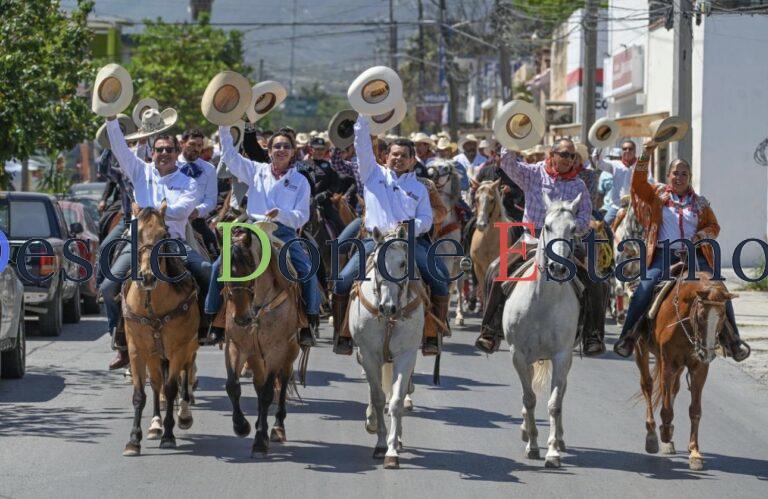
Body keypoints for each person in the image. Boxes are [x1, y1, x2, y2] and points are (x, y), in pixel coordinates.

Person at [613, 142, 750, 361]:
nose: (679, 177)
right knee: (645, 287)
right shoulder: (657, 198)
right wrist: (646, 154)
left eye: (684, 174)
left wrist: (699, 236)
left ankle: (734, 341)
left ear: (690, 177)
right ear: (668, 176)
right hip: (663, 255)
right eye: (675, 173)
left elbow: (714, 227)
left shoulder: (701, 204)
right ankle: (628, 336)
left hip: (694, 256)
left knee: (719, 290)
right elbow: (638, 185)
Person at [331, 117, 451, 356]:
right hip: (373, 241)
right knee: (342, 280)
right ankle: (342, 333)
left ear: (412, 160)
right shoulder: (372, 175)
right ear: (385, 156)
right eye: (394, 154)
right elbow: (362, 147)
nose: (398, 159)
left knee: (441, 277)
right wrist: (363, 118)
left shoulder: (420, 187)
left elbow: (428, 218)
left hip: (408, 243)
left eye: (404, 156)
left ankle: (433, 333)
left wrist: (411, 226)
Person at [474, 138, 606, 356]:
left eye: (572, 156)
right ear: (552, 154)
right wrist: (511, 135)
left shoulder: (578, 184)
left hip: (566, 243)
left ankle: (592, 335)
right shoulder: (534, 173)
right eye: (564, 154)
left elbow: (585, 215)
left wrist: (574, 227)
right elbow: (508, 163)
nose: (568, 159)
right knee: (495, 271)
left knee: (597, 281)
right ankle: (490, 330)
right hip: (532, 240)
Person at [102, 118, 212, 369]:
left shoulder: (189, 182)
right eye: (159, 149)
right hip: (138, 242)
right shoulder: (139, 170)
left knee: (207, 270)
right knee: (108, 286)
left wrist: (153, 212)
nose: (164, 153)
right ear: (152, 152)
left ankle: (206, 325)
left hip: (171, 242)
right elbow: (119, 147)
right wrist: (111, 120)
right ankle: (120, 338)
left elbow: (183, 210)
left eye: (169, 150)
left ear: (177, 153)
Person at [205, 128, 320, 348]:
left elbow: (302, 217)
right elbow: (229, 156)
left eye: (286, 146)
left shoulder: (300, 181)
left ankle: (308, 322)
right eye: (277, 146)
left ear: (294, 151)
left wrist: (281, 214)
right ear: (268, 150)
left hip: (283, 233)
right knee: (219, 265)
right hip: (252, 230)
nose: (281, 150)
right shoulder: (255, 170)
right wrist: (224, 125)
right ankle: (215, 320)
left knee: (307, 271)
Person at [592, 139, 654, 228]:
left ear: (635, 151)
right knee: (603, 228)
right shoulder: (615, 165)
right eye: (625, 149)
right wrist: (601, 144)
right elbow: (597, 161)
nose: (627, 151)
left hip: (636, 207)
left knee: (651, 227)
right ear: (622, 151)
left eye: (630, 149)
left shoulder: (641, 165)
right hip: (617, 207)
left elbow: (650, 181)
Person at [179, 128, 219, 258]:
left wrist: (198, 211)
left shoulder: (209, 169)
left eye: (199, 146)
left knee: (215, 251)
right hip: (171, 221)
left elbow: (211, 200)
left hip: (197, 222)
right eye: (192, 144)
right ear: (182, 143)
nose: (196, 148)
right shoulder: (170, 164)